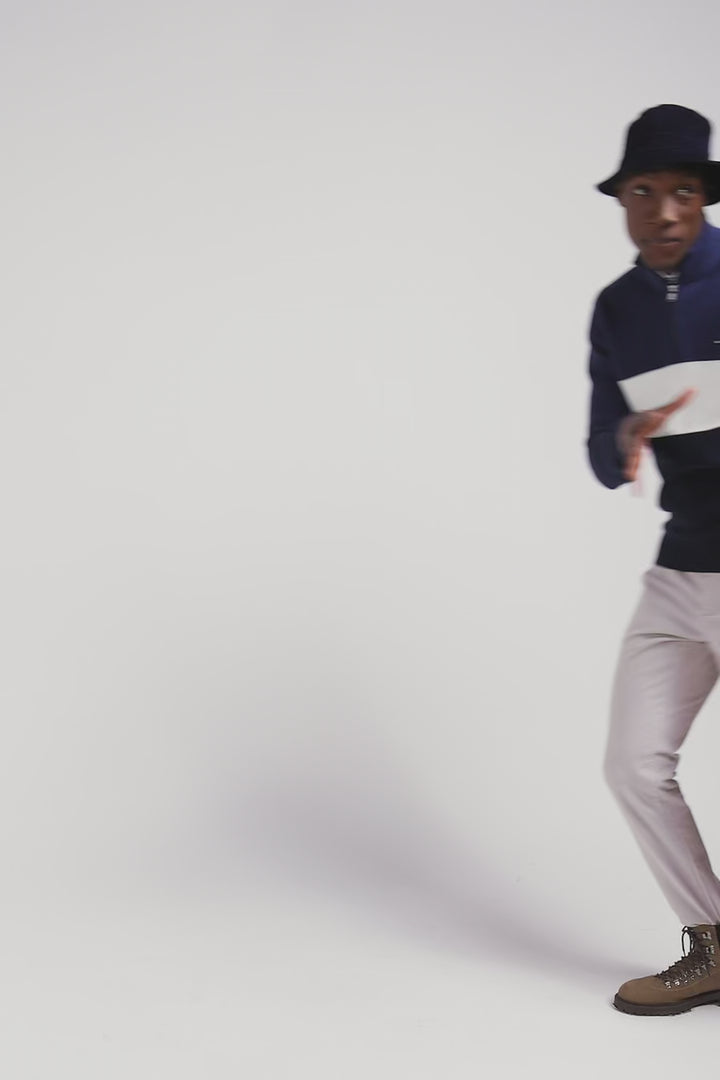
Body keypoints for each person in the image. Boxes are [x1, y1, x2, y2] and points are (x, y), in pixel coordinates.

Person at [588, 103, 720, 1016]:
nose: (664, 211)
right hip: (680, 570)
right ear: (624, 200)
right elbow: (601, 454)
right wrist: (627, 436)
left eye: (683, 190)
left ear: (704, 196)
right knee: (633, 763)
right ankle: (712, 943)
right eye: (644, 190)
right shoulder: (617, 309)